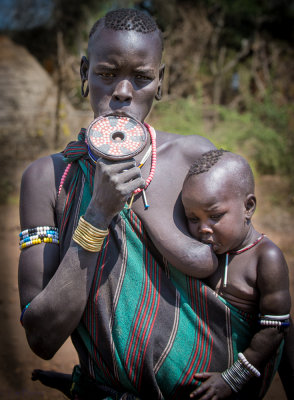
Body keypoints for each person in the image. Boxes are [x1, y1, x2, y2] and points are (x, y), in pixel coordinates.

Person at [18, 8, 293, 399]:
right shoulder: (50, 179)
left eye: (142, 77)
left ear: (160, 82)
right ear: (84, 72)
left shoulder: (194, 161)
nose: (123, 92)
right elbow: (42, 337)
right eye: (107, 73)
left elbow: (264, 300)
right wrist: (96, 215)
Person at [180, 149, 291, 399]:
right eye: (192, 218)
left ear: (248, 207)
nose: (203, 229)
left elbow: (275, 329)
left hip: (243, 375)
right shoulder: (203, 252)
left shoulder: (266, 258)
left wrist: (232, 379)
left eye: (215, 216)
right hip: (200, 368)